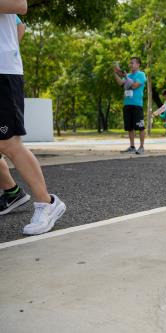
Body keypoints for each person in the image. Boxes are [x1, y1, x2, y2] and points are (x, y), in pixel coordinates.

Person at [0, 0, 66, 235]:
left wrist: (7, 50)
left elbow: (20, 6)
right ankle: (12, 192)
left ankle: (47, 203)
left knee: (8, 142)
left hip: (4, 71)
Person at [113, 57, 147, 155]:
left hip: (137, 104)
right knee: (129, 127)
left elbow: (133, 86)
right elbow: (121, 84)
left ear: (138, 64)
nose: (130, 65)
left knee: (140, 127)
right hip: (127, 104)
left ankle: (141, 147)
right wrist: (115, 73)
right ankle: (132, 146)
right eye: (130, 63)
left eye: (132, 63)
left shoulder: (141, 74)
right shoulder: (127, 75)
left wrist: (125, 77)